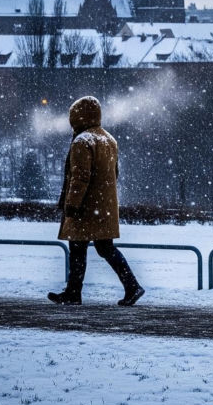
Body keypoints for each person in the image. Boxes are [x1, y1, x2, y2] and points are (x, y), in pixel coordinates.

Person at [48, 96, 144, 306]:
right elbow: (114, 174)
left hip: (86, 207)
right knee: (105, 248)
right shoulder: (108, 139)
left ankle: (74, 293)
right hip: (104, 206)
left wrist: (72, 204)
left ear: (78, 116)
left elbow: (80, 176)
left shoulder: (83, 141)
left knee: (77, 248)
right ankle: (132, 286)